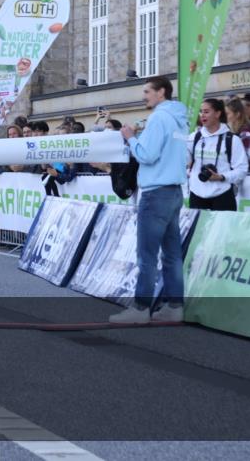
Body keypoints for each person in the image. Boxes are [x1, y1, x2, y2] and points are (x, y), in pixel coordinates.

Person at [110, 76, 188, 325]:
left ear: (161, 92)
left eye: (146, 91)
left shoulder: (158, 118)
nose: (143, 96)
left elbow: (146, 155)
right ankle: (174, 306)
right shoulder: (180, 120)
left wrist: (130, 137)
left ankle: (141, 308)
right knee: (172, 254)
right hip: (174, 191)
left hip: (155, 193)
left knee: (147, 255)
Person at [187, 99, 248, 211]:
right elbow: (184, 162)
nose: (202, 115)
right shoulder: (193, 137)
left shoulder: (232, 140)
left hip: (223, 195)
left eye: (206, 112)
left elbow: (242, 170)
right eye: (201, 111)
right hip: (196, 194)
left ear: (218, 114)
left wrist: (221, 177)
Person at [226, 98, 250, 172]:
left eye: (227, 114)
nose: (225, 117)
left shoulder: (245, 134)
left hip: (249, 175)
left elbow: (247, 159)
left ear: (237, 114)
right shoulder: (235, 133)